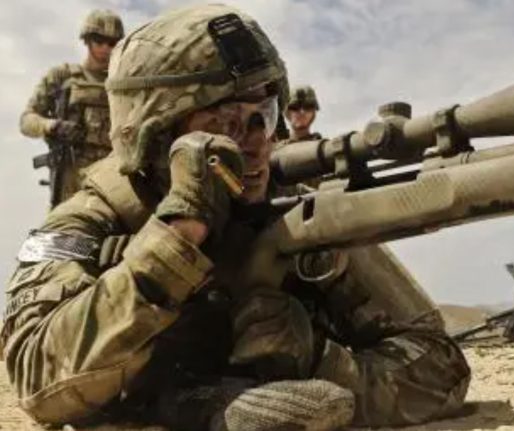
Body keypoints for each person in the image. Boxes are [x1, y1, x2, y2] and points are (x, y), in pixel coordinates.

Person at [1, 5, 470, 431]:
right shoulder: (90, 219)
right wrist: (173, 242)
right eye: (225, 123)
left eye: (264, 113)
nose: (257, 140)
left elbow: (441, 367)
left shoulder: (296, 210)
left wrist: (319, 360)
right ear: (155, 136)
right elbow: (37, 381)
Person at [20, 10, 124, 207]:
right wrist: (52, 126)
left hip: (113, 180)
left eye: (112, 43)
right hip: (71, 180)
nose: (105, 48)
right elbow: (26, 121)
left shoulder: (123, 84)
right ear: (87, 41)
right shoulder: (63, 76)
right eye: (99, 41)